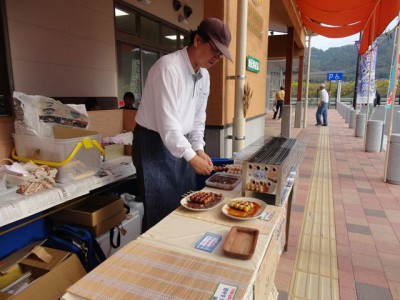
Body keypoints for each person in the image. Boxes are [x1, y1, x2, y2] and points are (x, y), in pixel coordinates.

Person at [132, 18, 233, 232]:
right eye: (214, 50)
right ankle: (153, 259)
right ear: (197, 40)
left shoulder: (204, 75)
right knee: (159, 209)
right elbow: (168, 126)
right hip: (153, 143)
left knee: (185, 203)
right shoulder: (168, 68)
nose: (217, 58)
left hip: (181, 142)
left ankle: (176, 254)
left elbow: (199, 117)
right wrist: (191, 156)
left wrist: (198, 149)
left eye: (220, 54)